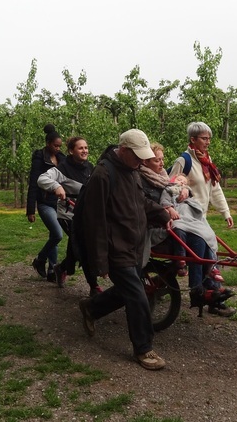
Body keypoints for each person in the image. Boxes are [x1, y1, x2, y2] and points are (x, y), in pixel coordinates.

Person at [76, 129, 172, 370]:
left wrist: (161, 212)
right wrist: (100, 262)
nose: (142, 161)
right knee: (138, 296)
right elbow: (94, 221)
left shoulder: (132, 171)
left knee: (129, 290)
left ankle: (92, 307)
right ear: (124, 151)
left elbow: (140, 203)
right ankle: (144, 349)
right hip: (115, 247)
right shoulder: (103, 175)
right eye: (138, 156)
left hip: (133, 245)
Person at [169, 121, 236, 317]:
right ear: (193, 140)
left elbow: (214, 188)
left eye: (209, 139)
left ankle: (212, 296)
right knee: (200, 251)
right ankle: (199, 291)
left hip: (200, 216)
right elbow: (170, 186)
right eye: (204, 139)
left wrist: (226, 212)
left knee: (211, 249)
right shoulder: (184, 161)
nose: (208, 142)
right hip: (185, 216)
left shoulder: (206, 161)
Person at [37, 136, 102, 295]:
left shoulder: (90, 168)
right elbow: (42, 178)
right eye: (80, 148)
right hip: (68, 215)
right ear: (71, 151)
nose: (85, 151)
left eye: (86, 147)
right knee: (84, 246)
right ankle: (94, 287)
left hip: (85, 215)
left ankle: (61, 268)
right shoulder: (62, 169)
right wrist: (56, 186)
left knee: (76, 247)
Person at [27, 124, 65, 282]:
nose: (57, 148)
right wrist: (30, 209)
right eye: (55, 145)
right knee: (57, 234)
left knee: (53, 235)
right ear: (48, 143)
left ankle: (52, 269)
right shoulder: (39, 157)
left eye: (59, 146)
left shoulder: (62, 158)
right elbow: (34, 182)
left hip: (59, 203)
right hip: (45, 202)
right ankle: (40, 260)